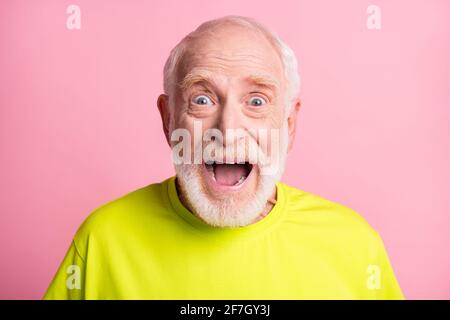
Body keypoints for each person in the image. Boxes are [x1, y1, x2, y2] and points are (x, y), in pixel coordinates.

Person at [44, 15, 404, 299]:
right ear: (169, 119)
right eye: (202, 100)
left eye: (257, 101)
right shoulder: (102, 240)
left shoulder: (354, 245)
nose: (228, 129)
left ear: (289, 124)